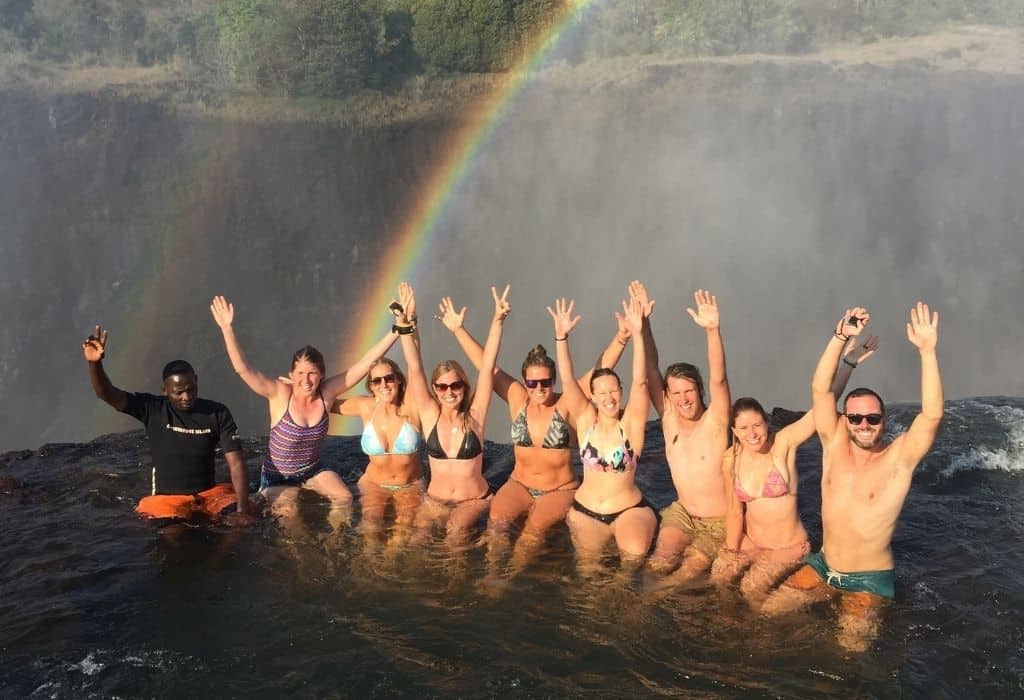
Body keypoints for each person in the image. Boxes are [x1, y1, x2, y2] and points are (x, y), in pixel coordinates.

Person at [762, 303, 943, 652]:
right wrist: (840, 337)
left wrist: (927, 351)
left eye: (872, 419)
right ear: (845, 419)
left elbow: (931, 416)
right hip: (822, 566)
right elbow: (820, 390)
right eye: (857, 418)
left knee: (848, 654)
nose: (864, 425)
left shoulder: (900, 458)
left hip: (868, 582)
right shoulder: (834, 444)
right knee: (766, 617)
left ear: (884, 421)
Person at [438, 293, 631, 573]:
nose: (539, 388)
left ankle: (505, 582)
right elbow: (487, 367)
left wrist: (622, 337)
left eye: (545, 382)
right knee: (496, 523)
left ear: (553, 381)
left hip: (559, 489)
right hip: (519, 484)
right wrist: (458, 329)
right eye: (532, 382)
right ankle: (490, 573)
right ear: (525, 381)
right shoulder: (517, 398)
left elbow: (601, 369)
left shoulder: (566, 402)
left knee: (532, 531)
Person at [709, 336, 878, 608]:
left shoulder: (783, 445)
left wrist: (847, 363)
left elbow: (820, 408)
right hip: (752, 544)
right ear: (734, 432)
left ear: (767, 422)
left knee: (751, 590)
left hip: (787, 548)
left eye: (757, 425)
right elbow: (734, 510)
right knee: (718, 580)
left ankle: (786, 626)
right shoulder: (731, 458)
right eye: (743, 428)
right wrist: (731, 550)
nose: (752, 434)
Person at [210, 295, 399, 534]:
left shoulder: (327, 394)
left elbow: (365, 363)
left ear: (321, 375)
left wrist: (398, 329)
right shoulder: (280, 394)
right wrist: (227, 328)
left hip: (311, 469)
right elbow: (243, 369)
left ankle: (332, 543)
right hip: (278, 476)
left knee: (344, 498)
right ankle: (301, 563)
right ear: (291, 373)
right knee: (291, 516)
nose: (305, 380)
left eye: (312, 373)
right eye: (300, 373)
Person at [82, 325, 251, 527]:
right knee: (173, 538)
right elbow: (107, 394)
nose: (186, 397)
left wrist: (242, 511)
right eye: (178, 392)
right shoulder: (152, 409)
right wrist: (95, 364)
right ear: (165, 390)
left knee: (239, 528)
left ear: (196, 381)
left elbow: (236, 462)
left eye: (191, 389)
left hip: (209, 495)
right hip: (168, 500)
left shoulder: (217, 413)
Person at [549, 295, 653, 571]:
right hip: (586, 513)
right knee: (587, 578)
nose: (609, 398)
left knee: (633, 564)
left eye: (614, 391)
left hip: (629, 511)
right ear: (592, 397)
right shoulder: (585, 420)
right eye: (602, 392)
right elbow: (569, 380)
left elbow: (641, 381)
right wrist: (561, 338)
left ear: (621, 392)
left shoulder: (631, 423)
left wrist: (638, 334)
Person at [401, 283, 508, 546]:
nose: (450, 392)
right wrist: (406, 323)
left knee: (454, 535)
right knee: (413, 543)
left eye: (456, 385)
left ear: (464, 386)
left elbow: (487, 368)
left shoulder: (476, 415)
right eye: (443, 386)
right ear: (435, 390)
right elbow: (415, 368)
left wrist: (497, 321)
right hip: (434, 501)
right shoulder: (429, 415)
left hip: (472, 500)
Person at [638, 285, 732, 581]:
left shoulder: (716, 421)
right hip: (682, 513)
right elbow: (651, 368)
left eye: (689, 390)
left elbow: (719, 377)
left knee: (685, 574)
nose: (683, 399)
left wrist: (712, 331)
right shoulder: (668, 418)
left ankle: (641, 609)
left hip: (719, 522)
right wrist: (643, 324)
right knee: (659, 563)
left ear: (700, 391)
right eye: (676, 393)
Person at [332, 285, 425, 549]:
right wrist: (296, 389)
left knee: (401, 536)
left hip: (409, 486)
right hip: (373, 483)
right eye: (377, 381)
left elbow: (415, 363)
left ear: (398, 380)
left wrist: (409, 322)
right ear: (370, 385)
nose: (384, 384)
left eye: (389, 378)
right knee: (369, 533)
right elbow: (324, 401)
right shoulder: (365, 407)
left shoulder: (413, 406)